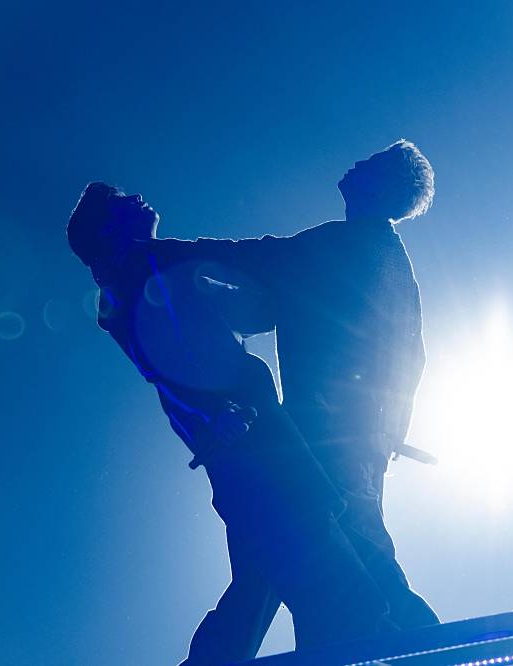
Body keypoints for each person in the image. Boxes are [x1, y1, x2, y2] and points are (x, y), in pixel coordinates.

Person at [66, 183, 391, 665]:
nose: (138, 198)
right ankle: (373, 645)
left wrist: (267, 294)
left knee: (258, 584)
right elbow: (168, 358)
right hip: (252, 441)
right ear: (111, 229)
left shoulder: (145, 278)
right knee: (336, 576)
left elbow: (250, 310)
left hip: (239, 442)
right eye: (122, 199)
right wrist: (325, 252)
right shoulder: (146, 266)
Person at [148, 140, 441, 634]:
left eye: (370, 163)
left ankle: (429, 646)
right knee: (311, 554)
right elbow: (272, 306)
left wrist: (161, 254)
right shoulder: (384, 260)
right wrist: (391, 430)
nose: (355, 163)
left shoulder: (341, 245)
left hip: (333, 429)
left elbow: (257, 258)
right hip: (356, 432)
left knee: (352, 541)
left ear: (381, 186)